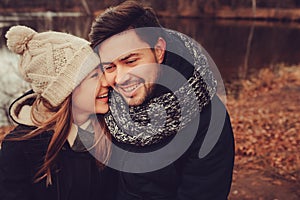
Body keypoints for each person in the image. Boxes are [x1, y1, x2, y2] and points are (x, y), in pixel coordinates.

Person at [89, 0, 235, 200]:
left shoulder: (208, 121)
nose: (121, 78)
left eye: (131, 61)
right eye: (110, 67)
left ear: (158, 50)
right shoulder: (108, 105)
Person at [0, 25, 116, 200]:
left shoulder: (111, 131)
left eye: (103, 72)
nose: (107, 81)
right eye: (94, 76)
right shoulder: (20, 148)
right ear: (64, 91)